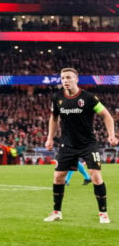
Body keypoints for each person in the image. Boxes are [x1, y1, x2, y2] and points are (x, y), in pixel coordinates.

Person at [44, 67, 117, 224]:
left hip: (87, 144)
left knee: (96, 176)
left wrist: (111, 135)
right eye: (63, 78)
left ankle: (103, 214)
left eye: (68, 77)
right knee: (58, 177)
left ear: (76, 79)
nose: (65, 81)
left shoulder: (88, 97)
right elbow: (54, 118)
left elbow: (106, 115)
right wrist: (50, 138)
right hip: (67, 144)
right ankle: (57, 212)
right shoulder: (57, 97)